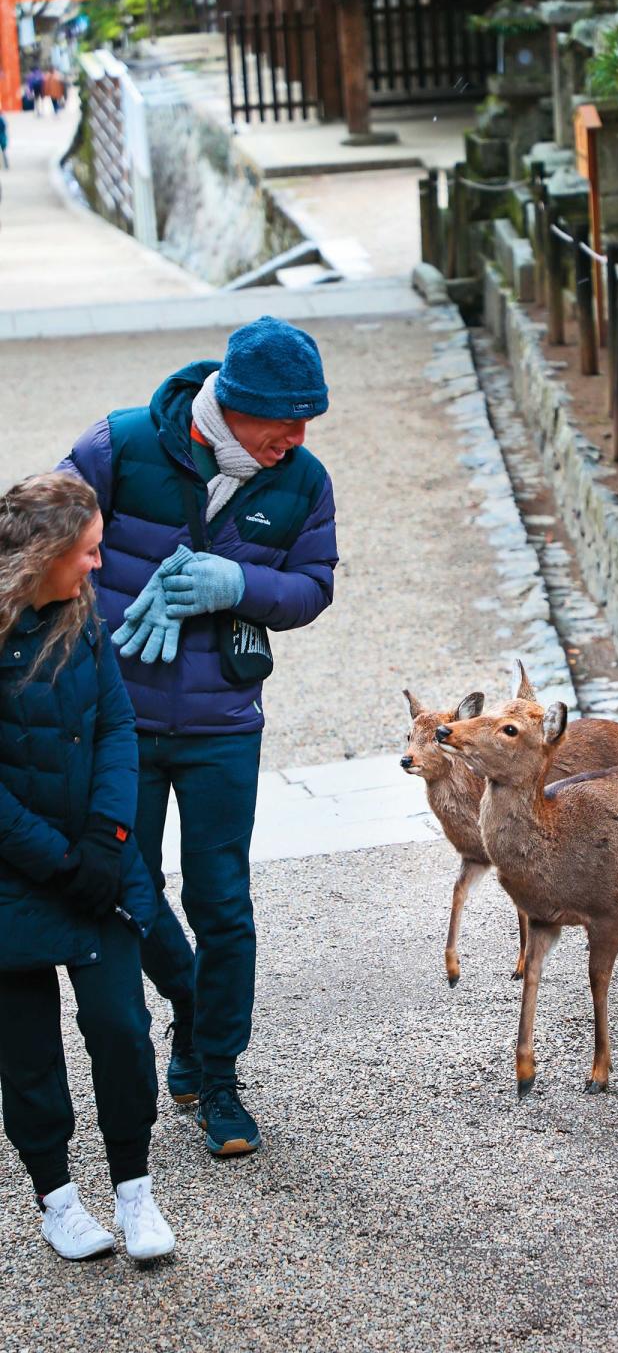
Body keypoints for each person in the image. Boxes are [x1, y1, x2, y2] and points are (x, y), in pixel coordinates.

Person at [63, 316, 338, 1159]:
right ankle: (189, 1003)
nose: (293, 440)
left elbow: (313, 587)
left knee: (223, 902)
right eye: (280, 423)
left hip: (224, 724)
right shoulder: (117, 445)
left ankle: (216, 1074)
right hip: (116, 722)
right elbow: (39, 549)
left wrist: (237, 584)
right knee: (127, 892)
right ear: (230, 404)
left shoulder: (302, 480)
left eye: (305, 425)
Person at [0, 473, 175, 1262]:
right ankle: (58, 1202)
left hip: (97, 870)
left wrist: (108, 840)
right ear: (42, 555)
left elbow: (115, 726)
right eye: (89, 552)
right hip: (14, 883)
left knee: (121, 1030)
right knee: (27, 1052)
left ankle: (135, 1194)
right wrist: (55, 860)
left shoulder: (83, 615)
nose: (99, 566)